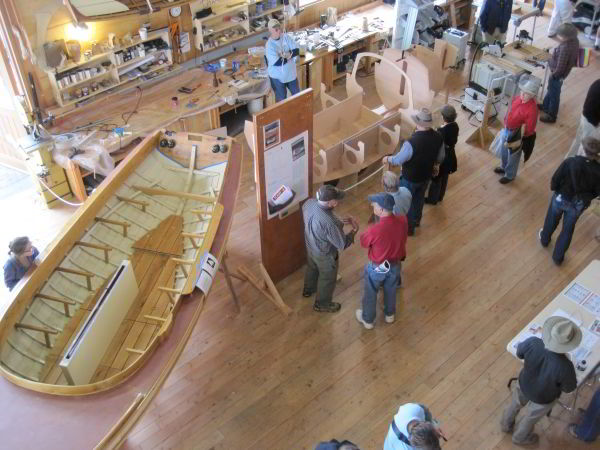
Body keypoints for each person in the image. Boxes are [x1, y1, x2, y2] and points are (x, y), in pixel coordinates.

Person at [501, 316, 579, 446]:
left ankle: (505, 425)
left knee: (514, 404)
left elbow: (519, 353)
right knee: (530, 419)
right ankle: (519, 438)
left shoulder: (533, 342)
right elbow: (568, 388)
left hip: (524, 383)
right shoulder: (566, 367)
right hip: (543, 397)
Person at [538, 137, 600, 265]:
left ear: (582, 149)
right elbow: (597, 192)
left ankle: (545, 240)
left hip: (561, 198)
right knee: (568, 229)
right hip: (578, 205)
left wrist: (554, 189)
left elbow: (556, 179)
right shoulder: (598, 170)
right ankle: (558, 257)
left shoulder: (570, 162)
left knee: (551, 219)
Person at [382, 108, 444, 236]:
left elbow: (398, 160)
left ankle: (409, 229)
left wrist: (387, 158)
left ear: (418, 124)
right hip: (426, 175)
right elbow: (440, 156)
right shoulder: (438, 136)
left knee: (406, 202)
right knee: (419, 199)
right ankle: (416, 221)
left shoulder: (411, 143)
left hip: (410, 178)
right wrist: (436, 165)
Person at [302, 185, 358, 313]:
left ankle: (308, 290)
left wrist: (337, 221)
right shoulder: (330, 223)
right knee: (327, 278)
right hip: (325, 255)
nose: (338, 201)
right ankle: (322, 304)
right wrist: (354, 230)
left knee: (312, 268)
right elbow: (342, 244)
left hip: (310, 247)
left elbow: (321, 218)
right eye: (336, 200)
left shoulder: (309, 203)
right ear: (330, 202)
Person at [355, 193, 407, 330]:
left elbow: (363, 242)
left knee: (371, 290)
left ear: (382, 210)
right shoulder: (402, 220)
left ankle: (368, 319)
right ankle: (390, 314)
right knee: (391, 289)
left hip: (380, 266)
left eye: (375, 205)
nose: (372, 205)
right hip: (395, 264)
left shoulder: (375, 229)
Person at [493, 79, 539, 184]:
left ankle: (510, 175)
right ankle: (503, 167)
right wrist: (505, 121)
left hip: (516, 135)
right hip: (507, 129)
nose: (523, 94)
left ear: (532, 95)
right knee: (504, 150)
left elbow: (530, 128)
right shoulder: (517, 98)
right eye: (522, 91)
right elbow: (510, 109)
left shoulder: (532, 109)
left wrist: (520, 137)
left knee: (513, 156)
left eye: (527, 93)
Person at [539, 23, 579, 124]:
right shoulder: (575, 41)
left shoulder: (565, 48)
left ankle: (552, 116)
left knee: (554, 95)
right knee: (551, 90)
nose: (558, 36)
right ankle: (545, 106)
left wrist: (553, 75)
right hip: (562, 74)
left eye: (560, 35)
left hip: (557, 75)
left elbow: (560, 67)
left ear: (565, 36)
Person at [426, 104, 459, 204]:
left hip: (443, 157)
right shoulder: (455, 126)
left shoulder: (441, 131)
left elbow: (437, 144)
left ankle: (432, 199)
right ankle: (440, 196)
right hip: (450, 156)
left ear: (443, 117)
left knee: (436, 179)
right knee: (445, 178)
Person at [265, 19, 300, 103]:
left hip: (291, 74)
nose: (279, 31)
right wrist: (289, 55)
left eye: (279, 28)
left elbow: (297, 51)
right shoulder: (269, 45)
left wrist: (285, 55)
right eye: (276, 30)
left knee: (298, 96)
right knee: (281, 100)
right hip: (277, 77)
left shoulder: (286, 37)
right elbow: (279, 62)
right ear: (270, 31)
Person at [566, 78, 600, 158]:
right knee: (586, 150)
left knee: (578, 141)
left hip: (585, 117)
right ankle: (576, 167)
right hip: (592, 124)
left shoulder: (597, 82)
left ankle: (568, 160)